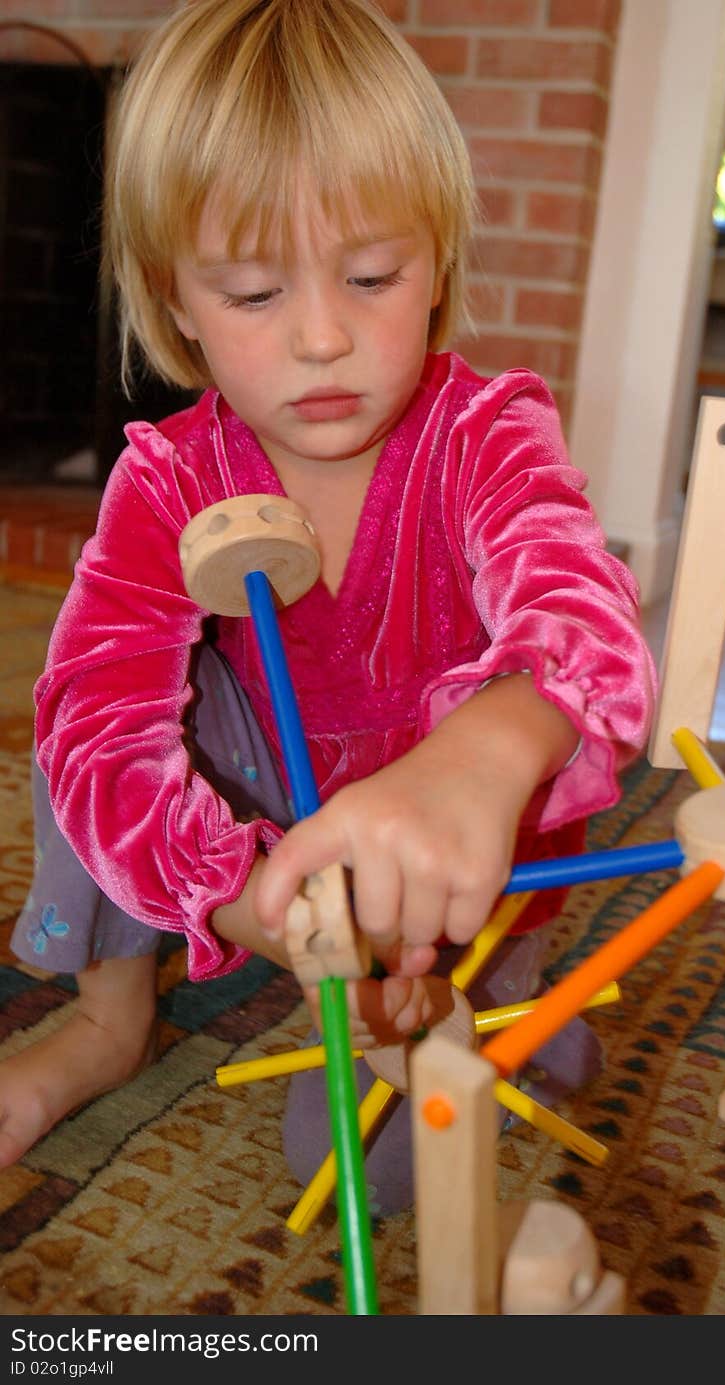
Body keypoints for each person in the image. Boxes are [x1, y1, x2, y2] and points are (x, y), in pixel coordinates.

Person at [0, 0, 656, 1210]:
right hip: (274, 834)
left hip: (463, 871)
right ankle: (108, 1017)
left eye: (369, 275)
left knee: (351, 1168)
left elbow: (591, 622)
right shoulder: (168, 474)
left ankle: (494, 988)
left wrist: (482, 756)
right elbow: (97, 724)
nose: (319, 336)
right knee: (85, 704)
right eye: (251, 292)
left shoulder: (482, 434)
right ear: (178, 300)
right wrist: (257, 904)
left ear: (438, 263)